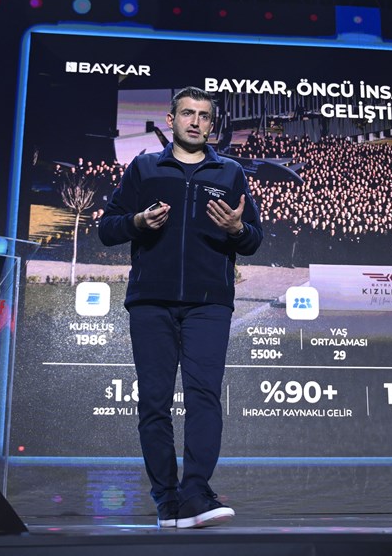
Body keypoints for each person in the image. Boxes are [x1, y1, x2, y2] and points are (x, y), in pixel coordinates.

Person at [97, 87, 263, 529]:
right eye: (187, 113)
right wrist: (136, 223)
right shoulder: (144, 167)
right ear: (170, 120)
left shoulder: (230, 172)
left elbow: (253, 240)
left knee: (204, 397)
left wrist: (236, 228)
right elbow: (107, 229)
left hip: (209, 305)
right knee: (153, 403)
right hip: (151, 302)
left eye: (204, 115)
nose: (195, 121)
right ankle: (167, 503)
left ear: (213, 124)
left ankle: (196, 493)